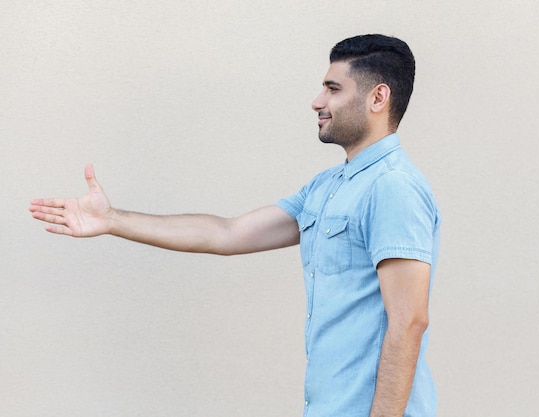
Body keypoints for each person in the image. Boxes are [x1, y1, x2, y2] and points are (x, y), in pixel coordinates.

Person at [30, 34, 440, 417]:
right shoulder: (327, 187)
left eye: (333, 88)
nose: (317, 101)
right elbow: (225, 233)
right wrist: (112, 220)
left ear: (378, 97)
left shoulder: (392, 188)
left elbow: (408, 322)